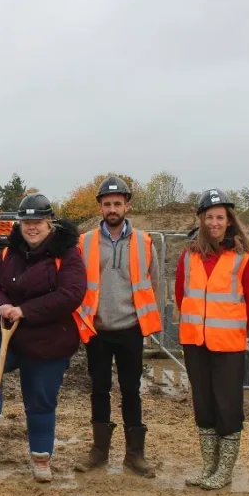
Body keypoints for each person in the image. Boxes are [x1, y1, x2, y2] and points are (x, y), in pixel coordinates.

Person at [0, 193, 86, 482]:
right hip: (6, 330)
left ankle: (41, 459)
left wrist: (25, 310)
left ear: (50, 223)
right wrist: (2, 306)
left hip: (49, 338)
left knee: (40, 400)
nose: (32, 227)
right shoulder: (9, 253)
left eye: (38, 222)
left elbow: (71, 294)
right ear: (19, 224)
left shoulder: (67, 254)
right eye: (26, 222)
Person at [74, 176, 161, 478]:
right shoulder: (84, 242)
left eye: (117, 203)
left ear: (127, 205)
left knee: (131, 390)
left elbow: (155, 285)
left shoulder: (144, 241)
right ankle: (99, 451)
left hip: (130, 329)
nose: (112, 209)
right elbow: (76, 285)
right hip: (97, 329)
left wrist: (151, 326)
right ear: (100, 207)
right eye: (107, 204)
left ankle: (134, 454)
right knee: (99, 389)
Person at [175, 188, 249, 490]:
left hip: (228, 344)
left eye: (219, 217)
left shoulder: (243, 259)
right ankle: (209, 466)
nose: (214, 222)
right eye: (209, 217)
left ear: (229, 220)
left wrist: (231, 328)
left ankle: (224, 470)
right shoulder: (188, 256)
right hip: (195, 341)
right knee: (204, 404)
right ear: (201, 219)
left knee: (228, 406)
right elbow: (181, 296)